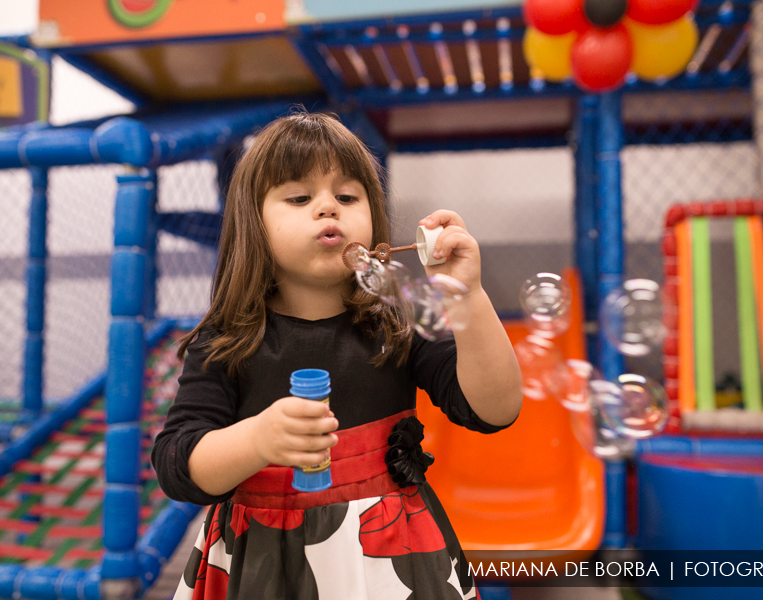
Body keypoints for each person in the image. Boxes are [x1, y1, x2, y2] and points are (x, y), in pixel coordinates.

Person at [152, 111, 523, 600]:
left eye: (347, 197)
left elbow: (494, 409)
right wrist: (257, 440)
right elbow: (176, 464)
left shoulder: (395, 320)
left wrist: (467, 295)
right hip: (262, 568)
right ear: (254, 224)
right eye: (300, 197)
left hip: (393, 559)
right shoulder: (227, 340)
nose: (329, 208)